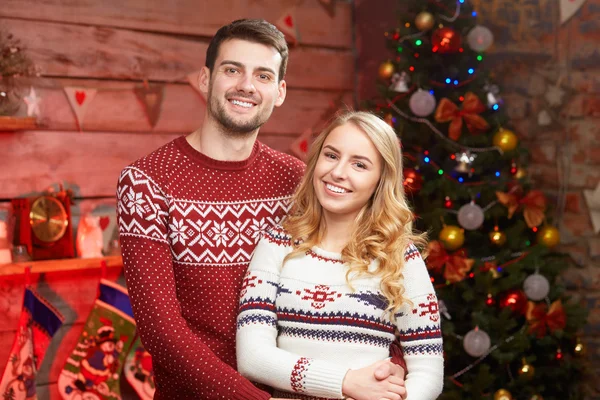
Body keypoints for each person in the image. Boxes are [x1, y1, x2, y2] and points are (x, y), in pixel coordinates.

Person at [117, 19, 406, 400]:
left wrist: (389, 370)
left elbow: (367, 277)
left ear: (280, 91)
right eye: (232, 69)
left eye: (263, 75)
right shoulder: (146, 182)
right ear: (205, 80)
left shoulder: (296, 180)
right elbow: (162, 332)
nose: (246, 86)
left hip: (303, 389)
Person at [237, 111, 444, 400]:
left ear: (380, 181)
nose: (338, 172)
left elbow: (428, 370)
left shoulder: (401, 257)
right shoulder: (276, 244)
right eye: (332, 156)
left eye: (359, 164)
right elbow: (252, 358)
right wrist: (345, 382)